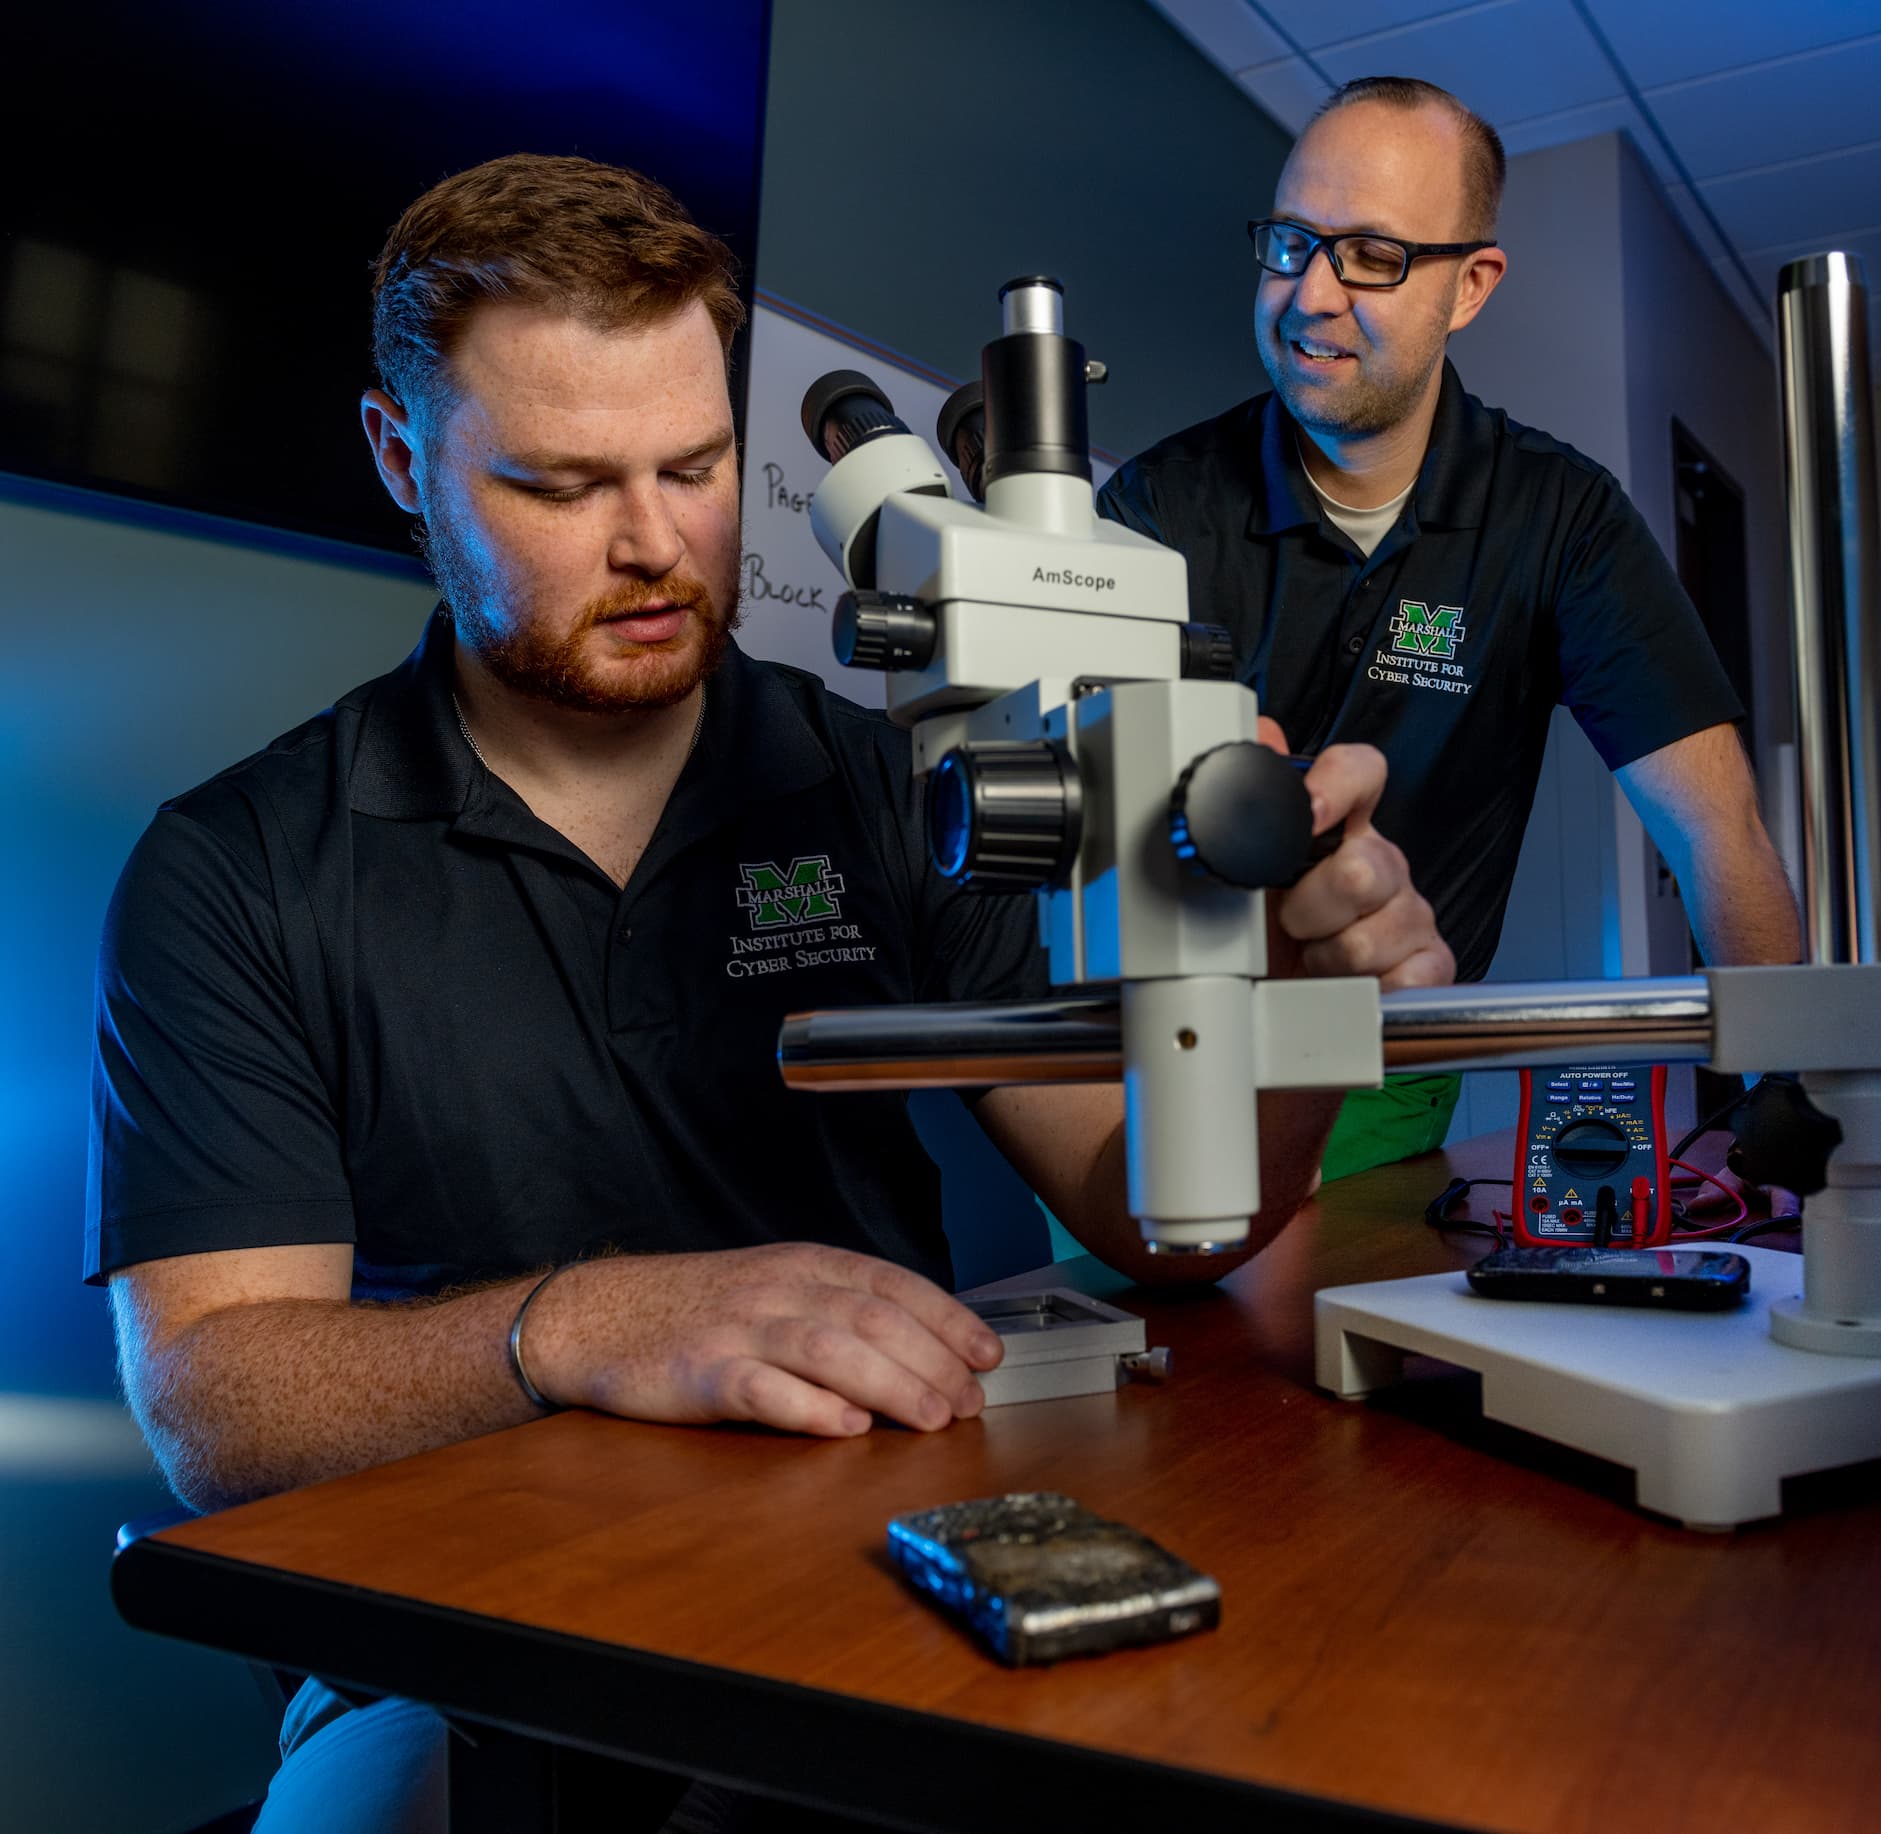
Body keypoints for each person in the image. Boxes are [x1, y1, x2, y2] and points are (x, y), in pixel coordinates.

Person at [86, 154, 1450, 1832]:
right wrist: (582, 1325)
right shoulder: (237, 868)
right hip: (456, 1625)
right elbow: (214, 1400)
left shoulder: (885, 787)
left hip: (880, 1553)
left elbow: (1165, 1217)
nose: (655, 542)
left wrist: (1291, 996)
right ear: (400, 457)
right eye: (561, 483)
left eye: (697, 464)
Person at [1097, 77, 1802, 1174]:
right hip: (1155, 1050)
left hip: (1382, 1063)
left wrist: (1783, 1079)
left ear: (1469, 287)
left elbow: (1715, 828)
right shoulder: (1158, 505)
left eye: (1371, 256)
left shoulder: (1559, 518)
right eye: (1290, 243)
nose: (1312, 294)